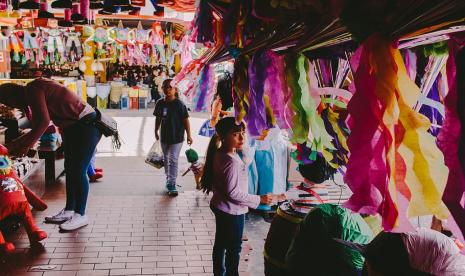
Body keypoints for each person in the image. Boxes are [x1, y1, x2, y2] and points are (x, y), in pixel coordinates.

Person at [0, 78, 101, 231]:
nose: (13, 107)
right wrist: (16, 144)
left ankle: (81, 214)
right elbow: (38, 124)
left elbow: (43, 122)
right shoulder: (31, 93)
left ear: (12, 96)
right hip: (73, 128)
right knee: (70, 168)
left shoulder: (34, 89)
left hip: (86, 126)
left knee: (78, 171)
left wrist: (26, 145)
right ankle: (69, 210)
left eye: (10, 103)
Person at [200, 117, 285, 276]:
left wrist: (251, 137)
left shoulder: (221, 153)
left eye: (243, 133)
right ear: (224, 136)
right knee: (233, 247)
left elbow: (246, 157)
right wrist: (259, 199)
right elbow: (233, 193)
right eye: (235, 134)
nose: (241, 138)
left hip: (220, 206)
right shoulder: (231, 162)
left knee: (221, 244)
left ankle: (219, 272)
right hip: (232, 211)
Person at [154, 78, 193, 194]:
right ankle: (169, 178)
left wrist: (189, 135)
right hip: (164, 137)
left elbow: (186, 120)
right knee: (166, 159)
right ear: (162, 89)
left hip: (177, 137)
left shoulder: (180, 104)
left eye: (170, 87)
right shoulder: (160, 103)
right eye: (165, 87)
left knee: (173, 159)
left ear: (175, 89)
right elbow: (158, 118)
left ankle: (172, 183)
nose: (168, 89)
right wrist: (156, 130)